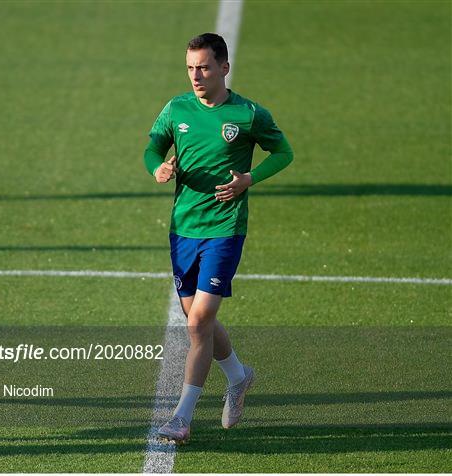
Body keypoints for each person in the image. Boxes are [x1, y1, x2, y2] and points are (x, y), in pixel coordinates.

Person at [143, 33, 294, 444]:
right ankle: (239, 376)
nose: (197, 75)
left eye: (204, 67)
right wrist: (158, 168)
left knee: (198, 323)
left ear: (224, 68)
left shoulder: (248, 114)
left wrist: (249, 179)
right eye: (191, 67)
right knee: (200, 322)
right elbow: (153, 148)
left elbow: (283, 153)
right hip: (183, 229)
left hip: (225, 230)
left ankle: (182, 417)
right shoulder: (177, 109)